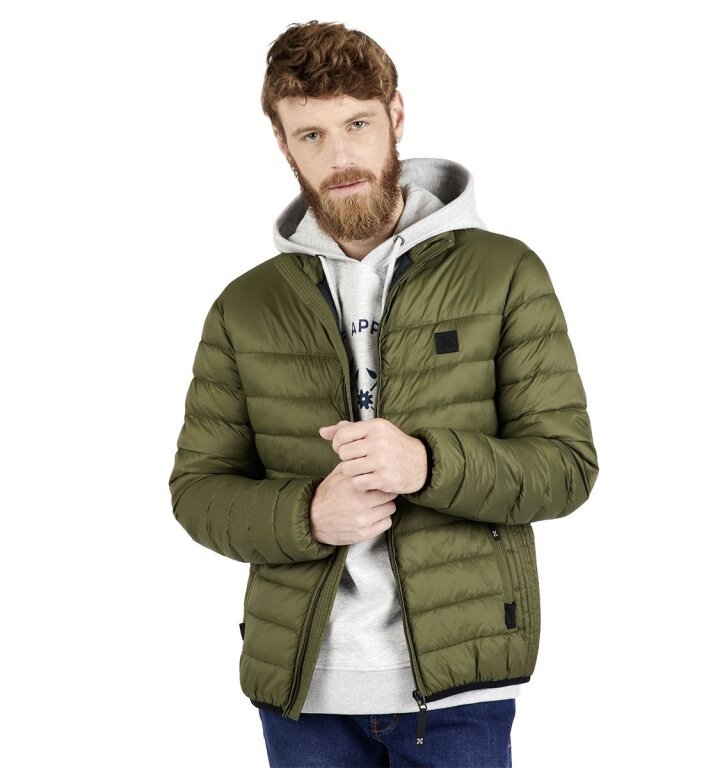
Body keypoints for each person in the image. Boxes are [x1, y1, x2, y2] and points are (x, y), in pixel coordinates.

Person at [169, 19, 599, 768]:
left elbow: (566, 467)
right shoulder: (245, 307)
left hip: (460, 689)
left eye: (358, 124)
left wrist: (428, 464)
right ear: (282, 143)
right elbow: (198, 492)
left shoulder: (505, 273)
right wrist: (307, 514)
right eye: (311, 135)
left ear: (395, 114)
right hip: (303, 693)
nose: (339, 158)